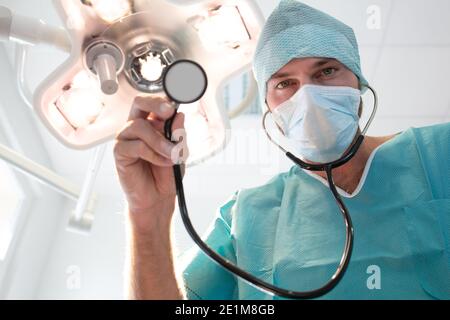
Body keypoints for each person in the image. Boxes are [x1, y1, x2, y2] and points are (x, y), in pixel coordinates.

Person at [114, 0, 450, 300]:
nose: (308, 95)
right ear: (270, 110)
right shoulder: (246, 217)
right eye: (285, 83)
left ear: (358, 83)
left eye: (326, 71)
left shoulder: (439, 154)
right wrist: (148, 219)